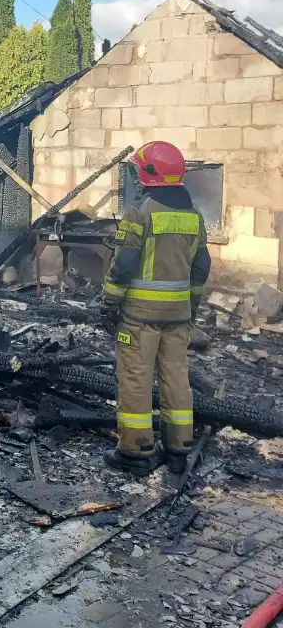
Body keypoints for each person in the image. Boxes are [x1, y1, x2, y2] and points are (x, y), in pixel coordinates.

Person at [98, 141, 212, 476]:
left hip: (140, 317)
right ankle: (178, 450)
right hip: (178, 318)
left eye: (137, 169)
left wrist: (108, 303)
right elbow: (201, 267)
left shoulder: (139, 213)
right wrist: (190, 305)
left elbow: (124, 265)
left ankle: (136, 452)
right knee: (176, 378)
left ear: (148, 174)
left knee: (135, 379)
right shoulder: (194, 217)